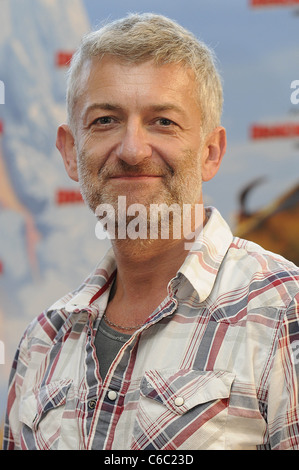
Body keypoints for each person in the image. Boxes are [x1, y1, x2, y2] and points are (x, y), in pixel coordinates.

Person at [3, 13, 299, 451]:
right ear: (70, 151)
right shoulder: (40, 343)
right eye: (105, 120)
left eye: (163, 121)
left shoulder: (283, 313)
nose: (132, 149)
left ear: (211, 152)